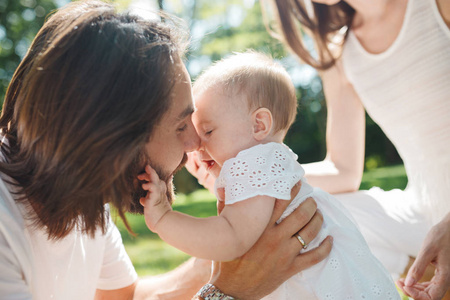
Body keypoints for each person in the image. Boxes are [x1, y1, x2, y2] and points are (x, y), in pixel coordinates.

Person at [0, 1, 333, 299]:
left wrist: (230, 248)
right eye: (180, 126)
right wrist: (227, 292)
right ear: (110, 135)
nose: (194, 145)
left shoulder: (85, 196)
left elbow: (125, 297)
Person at [140, 51, 399, 299]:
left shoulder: (256, 164)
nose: (198, 145)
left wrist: (164, 218)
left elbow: (232, 238)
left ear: (259, 125)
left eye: (208, 132)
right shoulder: (267, 161)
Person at [261, 0, 450, 299]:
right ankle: (426, 274)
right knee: (314, 212)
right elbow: (343, 170)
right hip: (426, 214)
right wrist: (255, 171)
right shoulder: (340, 54)